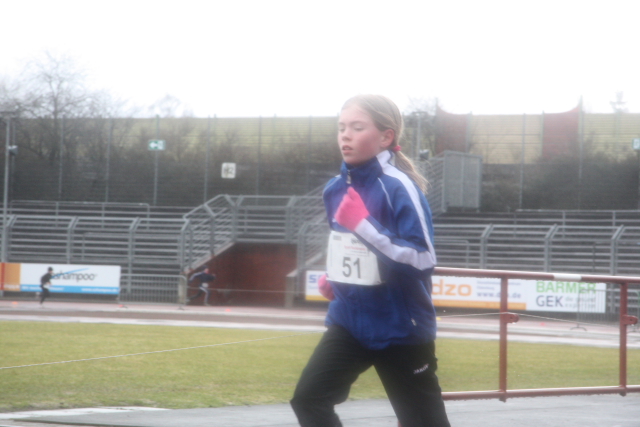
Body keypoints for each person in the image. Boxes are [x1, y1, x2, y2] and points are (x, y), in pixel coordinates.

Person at [290, 95, 450, 427]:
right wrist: (337, 277)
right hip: (349, 322)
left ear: (386, 137)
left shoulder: (400, 187)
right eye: (341, 128)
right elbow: (347, 247)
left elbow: (423, 260)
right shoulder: (334, 189)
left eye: (357, 127)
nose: (345, 135)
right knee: (308, 400)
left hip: (401, 328)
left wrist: (363, 225)